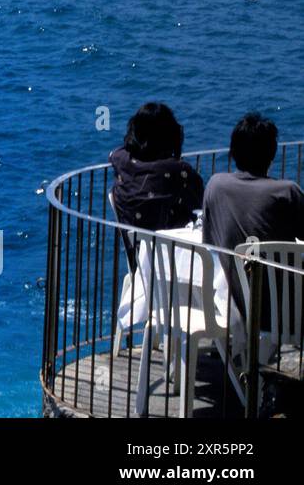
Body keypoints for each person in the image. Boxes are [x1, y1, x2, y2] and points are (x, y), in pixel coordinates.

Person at [202, 113, 304, 325]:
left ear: (233, 152)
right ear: (272, 153)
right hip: (289, 310)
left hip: (234, 304)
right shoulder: (286, 192)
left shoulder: (216, 186)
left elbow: (209, 241)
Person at [108, 103, 203, 232]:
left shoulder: (122, 161)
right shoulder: (179, 171)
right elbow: (201, 205)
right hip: (172, 247)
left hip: (137, 246)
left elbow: (116, 153)